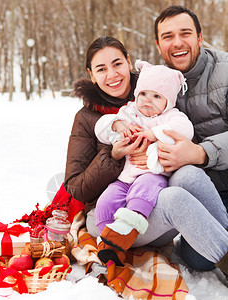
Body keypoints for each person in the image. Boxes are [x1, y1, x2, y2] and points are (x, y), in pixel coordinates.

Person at [63, 36, 228, 278]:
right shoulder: (88, 118)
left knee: (189, 174)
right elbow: (76, 187)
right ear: (91, 74)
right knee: (173, 198)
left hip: (152, 196)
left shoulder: (159, 90)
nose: (112, 74)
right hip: (110, 212)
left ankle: (219, 242)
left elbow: (180, 129)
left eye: (117, 64)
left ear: (129, 62)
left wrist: (174, 152)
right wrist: (115, 155)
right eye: (101, 69)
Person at [93, 60, 193, 265]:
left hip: (152, 175)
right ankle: (109, 241)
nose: (148, 100)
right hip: (125, 178)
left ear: (169, 101)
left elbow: (185, 130)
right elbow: (100, 128)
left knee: (143, 191)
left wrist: (153, 134)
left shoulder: (170, 116)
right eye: (144, 94)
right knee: (105, 202)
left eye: (157, 96)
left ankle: (129, 226)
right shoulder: (129, 113)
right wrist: (117, 124)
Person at [153, 5, 228, 272]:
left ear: (199, 37)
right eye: (168, 36)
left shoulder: (225, 71)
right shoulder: (155, 85)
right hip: (201, 193)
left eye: (185, 33)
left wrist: (200, 153)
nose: (177, 43)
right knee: (198, 259)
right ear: (159, 46)